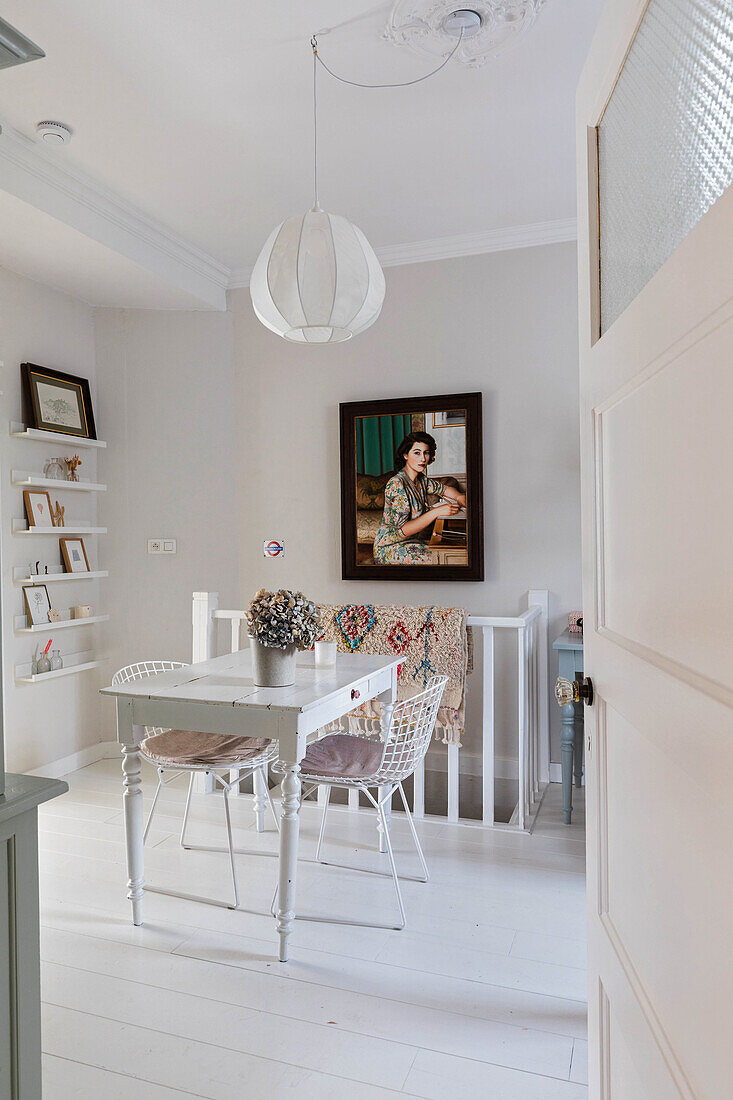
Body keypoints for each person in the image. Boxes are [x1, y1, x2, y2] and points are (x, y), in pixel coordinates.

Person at [373, 431, 466, 564]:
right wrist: (437, 512)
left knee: (453, 553)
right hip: (389, 548)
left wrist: (460, 497)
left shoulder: (421, 480)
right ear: (405, 455)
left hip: (410, 543)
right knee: (447, 560)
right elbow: (402, 530)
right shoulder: (397, 484)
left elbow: (444, 489)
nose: (423, 458)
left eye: (426, 453)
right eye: (417, 453)